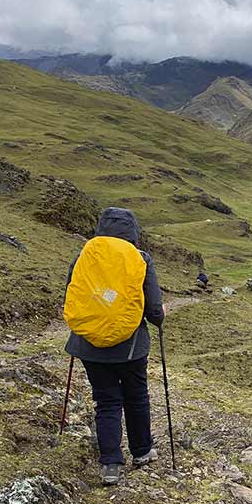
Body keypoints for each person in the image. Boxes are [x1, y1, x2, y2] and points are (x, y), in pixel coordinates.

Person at [64, 207, 165, 485]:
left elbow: (72, 295)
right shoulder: (140, 258)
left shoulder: (85, 254)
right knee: (136, 397)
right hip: (130, 346)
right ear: (133, 231)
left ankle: (110, 465)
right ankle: (142, 452)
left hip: (88, 344)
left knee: (106, 401)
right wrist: (159, 317)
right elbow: (154, 308)